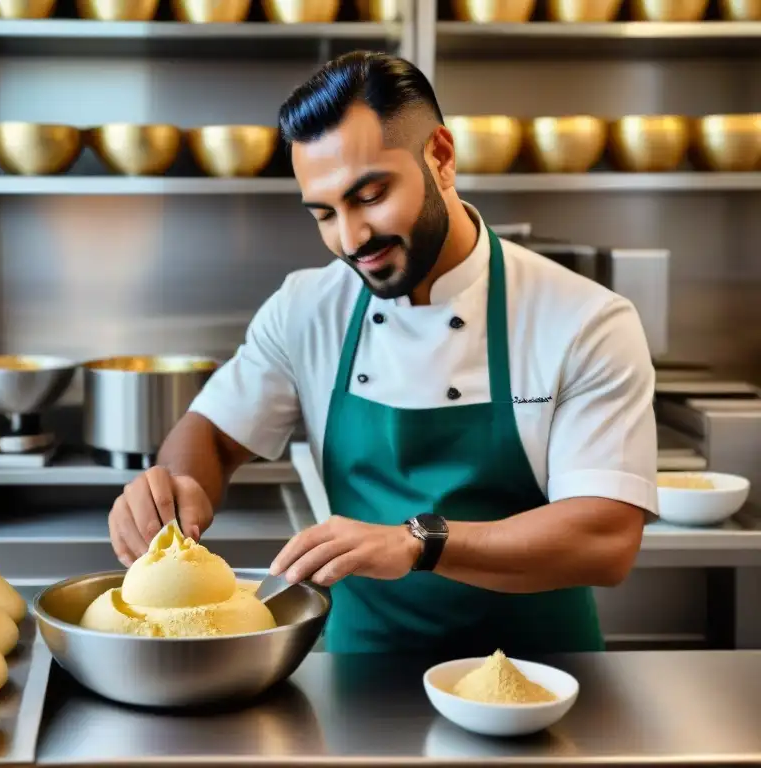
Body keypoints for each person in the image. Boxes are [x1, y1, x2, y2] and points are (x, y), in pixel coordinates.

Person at [106, 51, 658, 656]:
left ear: (441, 158)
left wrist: (419, 542)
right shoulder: (307, 308)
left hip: (543, 678)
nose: (350, 239)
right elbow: (210, 434)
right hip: (363, 671)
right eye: (324, 214)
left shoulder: (584, 320)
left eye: (368, 196)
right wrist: (174, 490)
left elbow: (604, 540)